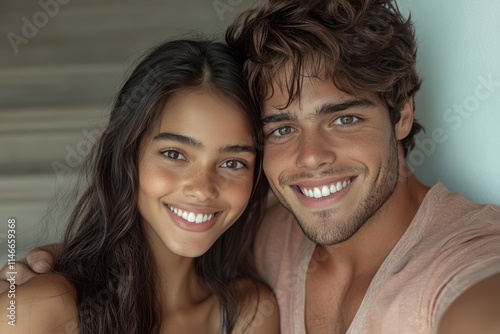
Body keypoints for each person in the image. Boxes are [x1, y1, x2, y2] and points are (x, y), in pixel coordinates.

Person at [3, 0, 500, 333]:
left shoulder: (465, 261)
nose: (310, 157)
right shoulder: (269, 232)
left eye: (343, 117)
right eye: (281, 128)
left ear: (402, 114)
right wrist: (58, 266)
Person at [0, 39, 279, 333]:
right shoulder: (42, 307)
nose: (202, 188)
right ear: (127, 157)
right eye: (174, 154)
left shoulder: (250, 312)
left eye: (233, 163)